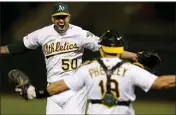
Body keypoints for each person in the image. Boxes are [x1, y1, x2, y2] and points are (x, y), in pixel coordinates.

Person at [1, 3, 138, 115]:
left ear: (69, 17)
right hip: (53, 89)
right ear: (52, 18)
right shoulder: (43, 34)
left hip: (74, 90)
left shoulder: (80, 33)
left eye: (64, 17)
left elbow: (108, 49)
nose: (61, 20)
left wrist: (134, 55)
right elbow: (19, 46)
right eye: (58, 17)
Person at [17, 29, 175, 114]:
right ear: (121, 49)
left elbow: (59, 87)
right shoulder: (130, 69)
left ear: (102, 49)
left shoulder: (87, 67)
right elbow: (161, 83)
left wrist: (33, 93)